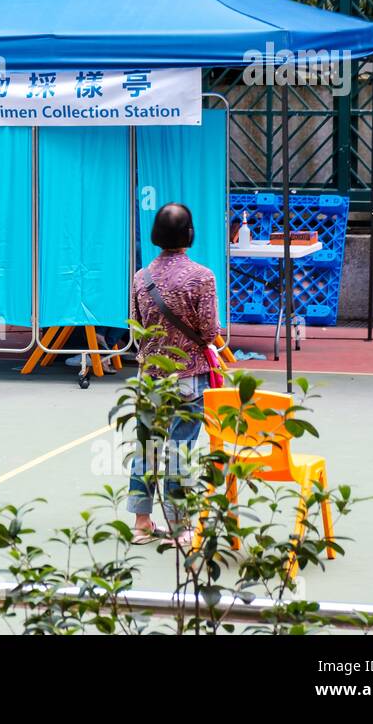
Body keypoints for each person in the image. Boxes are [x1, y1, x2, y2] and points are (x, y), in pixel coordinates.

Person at [128, 202, 220, 547]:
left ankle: (141, 522)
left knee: (147, 447)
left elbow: (137, 327)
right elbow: (210, 331)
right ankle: (180, 527)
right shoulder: (202, 277)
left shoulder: (141, 277)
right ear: (189, 234)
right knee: (180, 450)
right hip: (188, 376)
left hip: (150, 374)